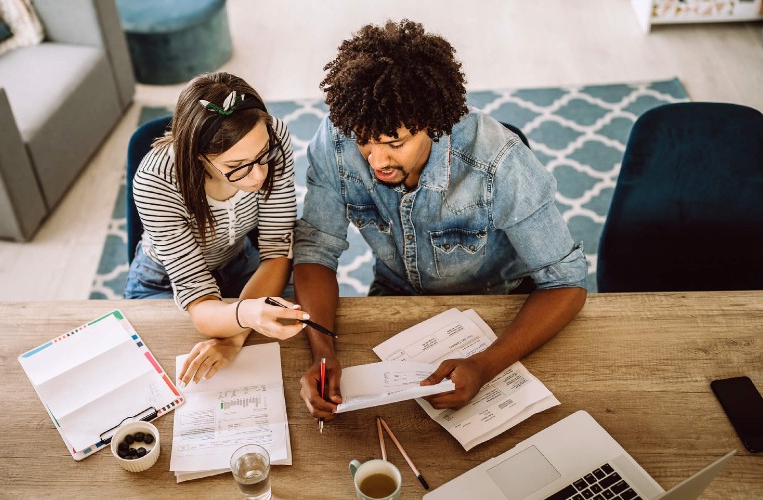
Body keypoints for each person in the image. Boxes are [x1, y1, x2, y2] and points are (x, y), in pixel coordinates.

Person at [293, 20, 588, 422]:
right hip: (393, 293)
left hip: (497, 303)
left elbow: (566, 283)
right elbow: (316, 251)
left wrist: (485, 365)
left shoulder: (498, 161)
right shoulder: (336, 139)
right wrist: (324, 354)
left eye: (395, 143)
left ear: (434, 125)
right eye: (365, 140)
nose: (376, 161)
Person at [124, 72, 309, 387]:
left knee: (299, 343)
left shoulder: (273, 134)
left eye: (263, 155)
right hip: (164, 281)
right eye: (237, 166)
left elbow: (278, 249)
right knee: (154, 378)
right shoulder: (155, 181)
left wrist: (232, 339)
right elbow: (198, 298)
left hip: (240, 261)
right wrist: (247, 316)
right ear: (198, 156)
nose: (258, 176)